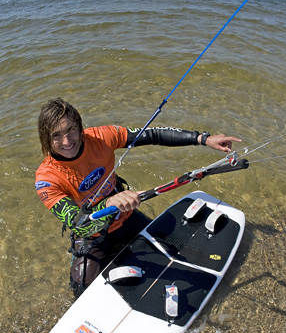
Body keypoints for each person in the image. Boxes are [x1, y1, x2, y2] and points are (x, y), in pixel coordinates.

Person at [35, 97, 241, 297]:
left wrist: (202, 138)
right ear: (46, 139)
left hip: (126, 216)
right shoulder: (46, 179)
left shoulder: (101, 137)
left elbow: (153, 135)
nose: (67, 141)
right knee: (81, 290)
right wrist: (109, 203)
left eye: (71, 130)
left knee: (171, 249)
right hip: (93, 236)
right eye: (56, 135)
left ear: (80, 127)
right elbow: (78, 224)